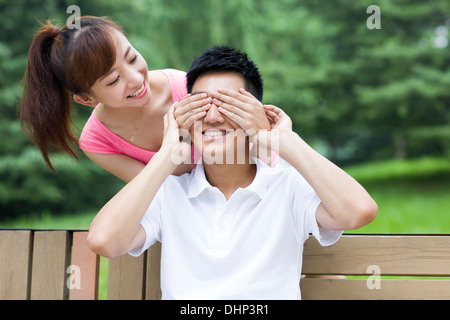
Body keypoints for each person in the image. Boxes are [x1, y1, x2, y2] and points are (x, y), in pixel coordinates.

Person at [87, 46, 378, 299]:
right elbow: (105, 242)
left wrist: (284, 141)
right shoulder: (169, 193)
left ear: (255, 113)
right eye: (201, 105)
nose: (212, 117)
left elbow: (358, 211)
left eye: (228, 104)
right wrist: (166, 155)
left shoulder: (287, 187)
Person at [20, 16, 218, 182]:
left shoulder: (191, 88)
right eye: (114, 80)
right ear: (87, 99)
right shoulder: (96, 140)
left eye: (132, 58)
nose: (136, 78)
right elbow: (154, 193)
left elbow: (239, 160)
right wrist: (176, 140)